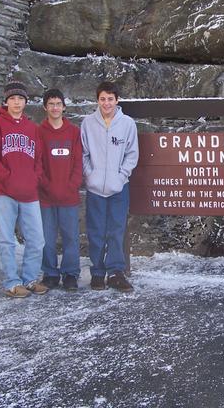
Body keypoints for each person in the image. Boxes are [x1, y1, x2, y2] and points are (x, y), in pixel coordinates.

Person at [0, 82, 48, 298]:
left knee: (37, 238)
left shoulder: (33, 129)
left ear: (25, 102)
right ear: (6, 101)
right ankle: (12, 282)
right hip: (5, 192)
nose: (16, 102)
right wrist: (8, 178)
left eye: (20, 98)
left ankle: (29, 279)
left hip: (29, 192)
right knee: (6, 239)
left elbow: (39, 159)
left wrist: (34, 178)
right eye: (12, 98)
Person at [81, 81, 139, 292]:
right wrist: (90, 175)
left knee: (116, 230)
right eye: (103, 99)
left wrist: (121, 175)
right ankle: (97, 272)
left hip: (118, 187)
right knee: (95, 231)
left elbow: (132, 154)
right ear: (98, 100)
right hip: (95, 188)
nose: (106, 103)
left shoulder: (127, 124)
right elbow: (83, 153)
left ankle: (116, 272)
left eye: (110, 99)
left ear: (117, 100)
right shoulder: (88, 123)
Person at [38, 88, 83, 291]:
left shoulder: (73, 132)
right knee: (46, 239)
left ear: (64, 107)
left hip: (68, 196)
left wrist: (72, 185)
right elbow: (36, 164)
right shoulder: (39, 131)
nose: (55, 108)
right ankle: (50, 273)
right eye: (51, 104)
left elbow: (78, 163)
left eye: (58, 104)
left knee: (71, 237)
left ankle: (71, 273)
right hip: (46, 196)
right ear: (45, 107)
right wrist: (46, 186)